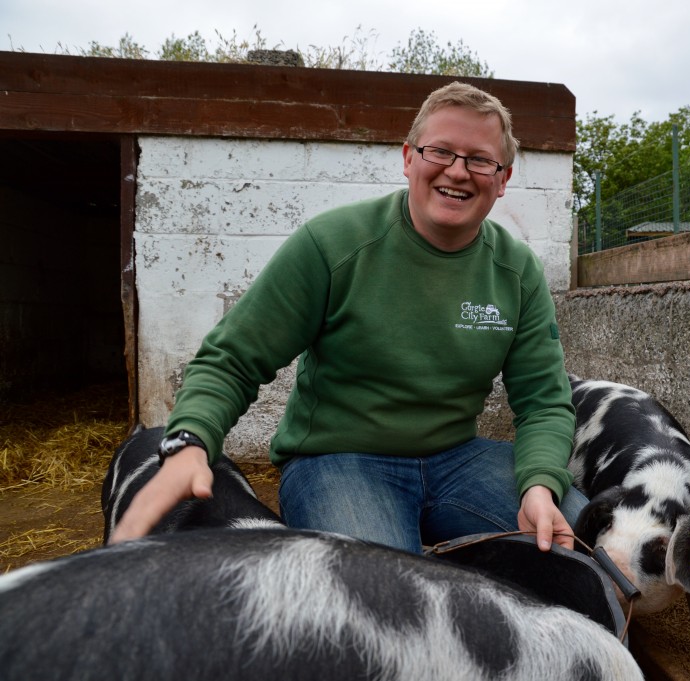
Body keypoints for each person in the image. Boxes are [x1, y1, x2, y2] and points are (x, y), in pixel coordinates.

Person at [110, 81, 583, 554]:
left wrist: (538, 485)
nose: (458, 172)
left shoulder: (517, 272)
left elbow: (543, 400)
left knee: (591, 541)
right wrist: (189, 442)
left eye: (480, 160)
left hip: (459, 460)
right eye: (440, 151)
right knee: (380, 595)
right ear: (408, 158)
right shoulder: (332, 245)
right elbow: (233, 358)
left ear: (502, 180)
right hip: (338, 463)